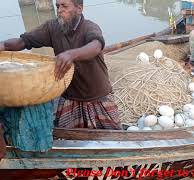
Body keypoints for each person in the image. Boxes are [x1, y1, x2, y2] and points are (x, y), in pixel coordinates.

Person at [0, 0, 122, 130]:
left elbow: (96, 46)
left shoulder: (89, 27)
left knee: (115, 138)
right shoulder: (52, 28)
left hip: (98, 97)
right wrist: (3, 45)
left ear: (79, 9)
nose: (59, 10)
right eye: (57, 6)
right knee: (69, 139)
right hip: (69, 98)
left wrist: (71, 55)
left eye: (64, 6)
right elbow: (23, 42)